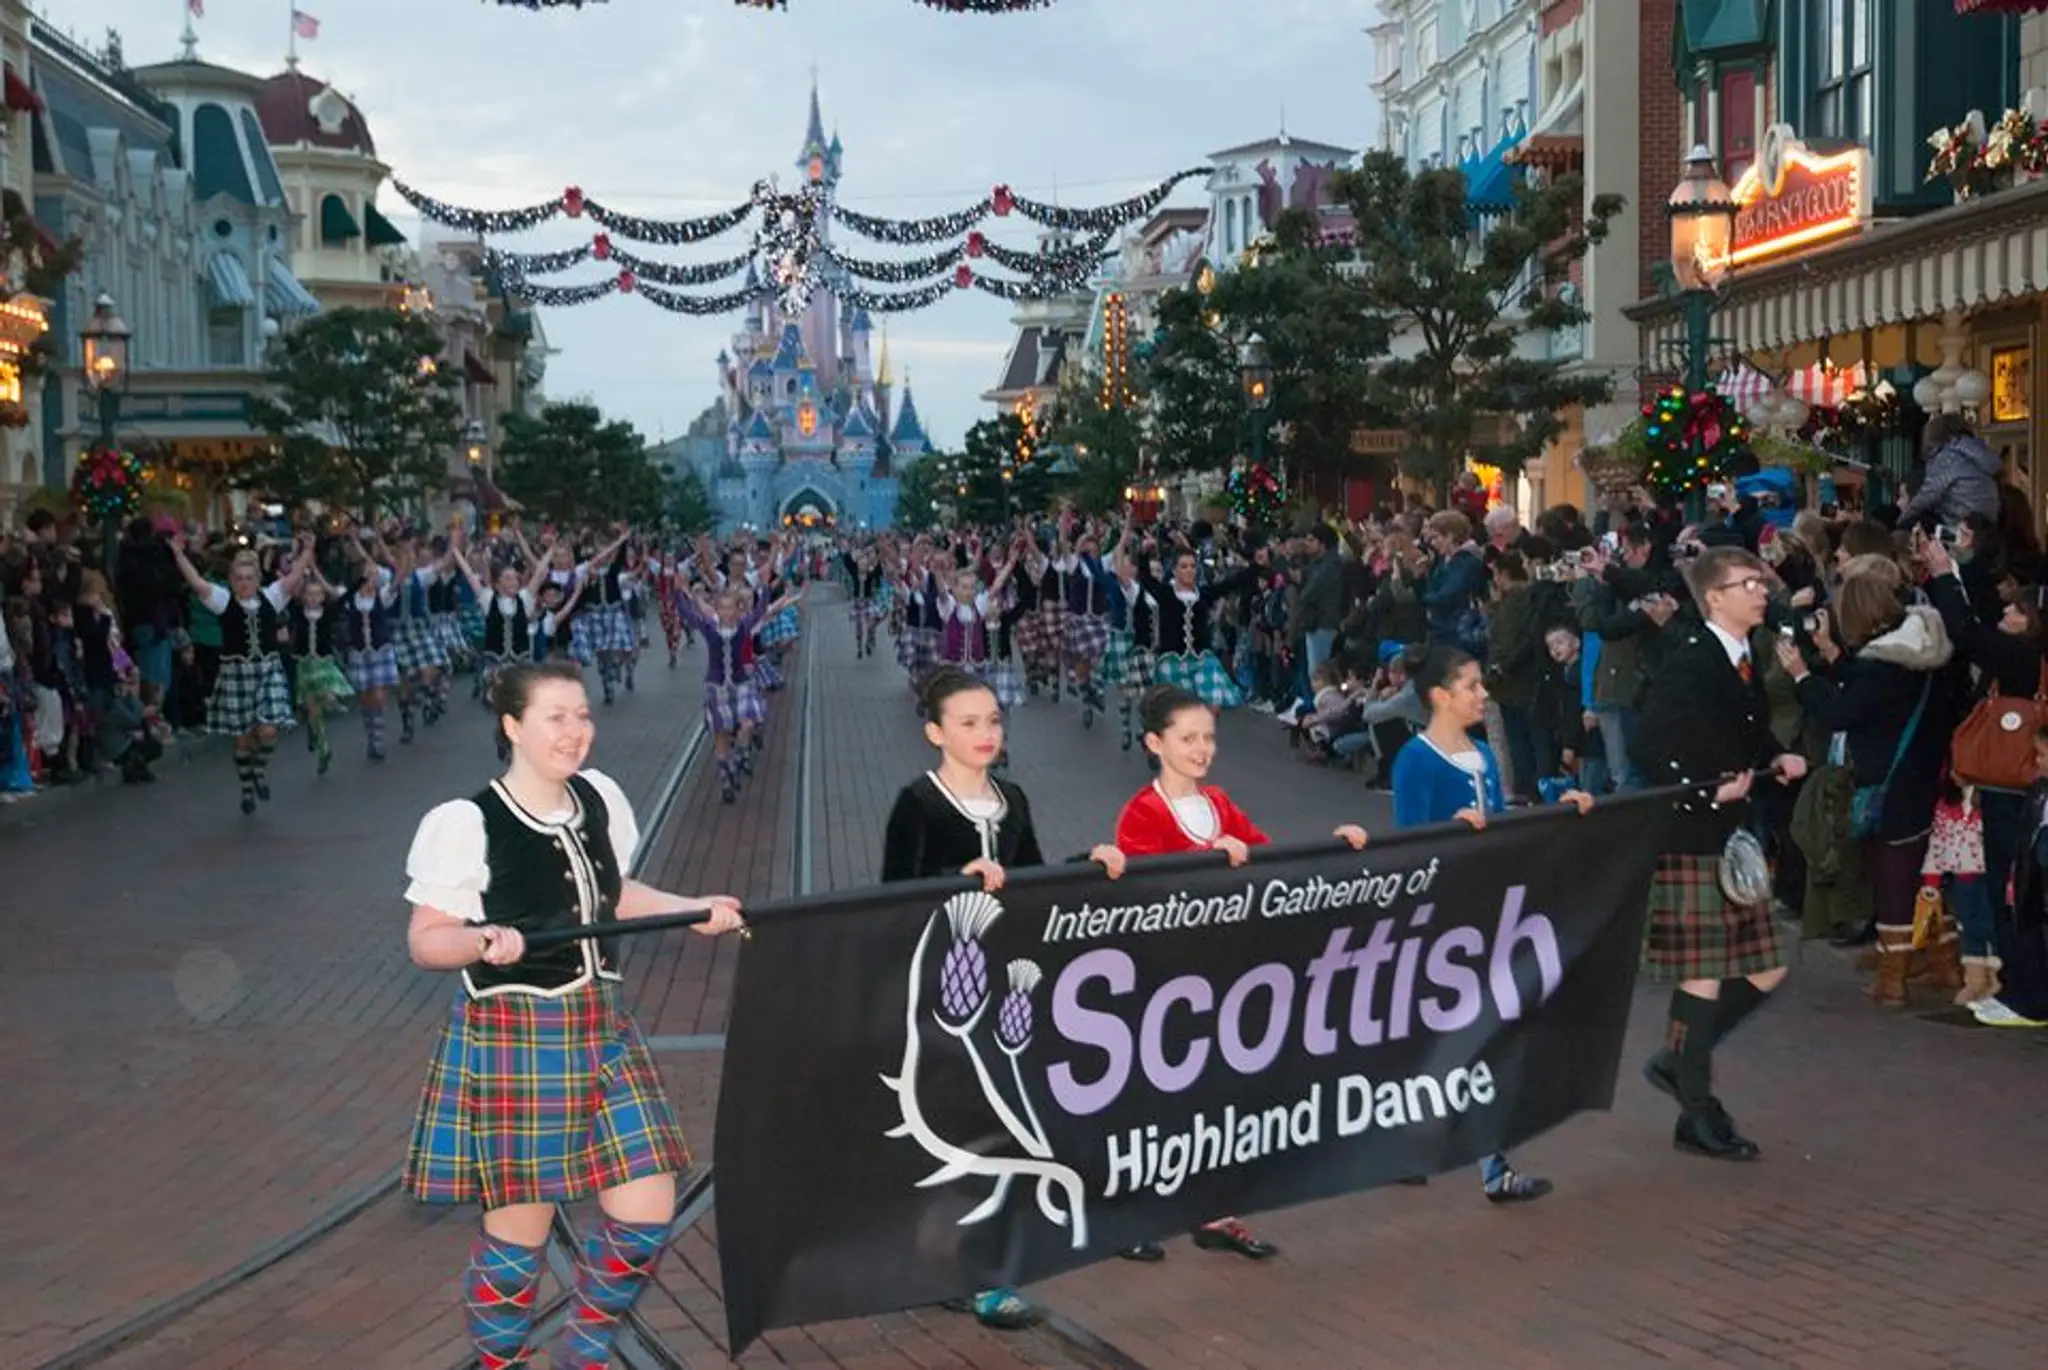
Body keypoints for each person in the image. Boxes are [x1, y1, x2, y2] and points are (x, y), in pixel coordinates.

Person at [402, 659, 746, 1370]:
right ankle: (503, 1364)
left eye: (582, 715)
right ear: (512, 727)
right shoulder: (468, 823)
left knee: (648, 1209)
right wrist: (480, 940)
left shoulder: (599, 799)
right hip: (517, 1044)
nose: (576, 731)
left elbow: (613, 893)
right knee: (517, 1242)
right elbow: (426, 940)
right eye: (556, 717)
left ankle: (585, 1349)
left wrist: (692, 910)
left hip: (600, 1028)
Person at [880, 666, 1126, 1332]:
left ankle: (985, 1268)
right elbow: (890, 894)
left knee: (1002, 1122)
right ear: (935, 732)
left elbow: (1035, 876)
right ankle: (959, 1266)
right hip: (942, 995)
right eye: (968, 722)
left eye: (993, 720)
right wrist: (950, 881)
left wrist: (1087, 860)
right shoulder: (919, 803)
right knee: (959, 1131)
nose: (986, 732)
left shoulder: (1012, 799)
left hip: (1001, 992)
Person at [1109, 684, 1369, 1262]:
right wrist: (1206, 864)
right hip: (1168, 983)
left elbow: (1273, 864)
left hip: (1224, 978)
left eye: (1209, 737)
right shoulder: (1143, 813)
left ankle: (1213, 1210)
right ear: (1155, 742)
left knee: (1217, 1095)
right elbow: (1144, 895)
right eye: (1188, 738)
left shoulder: (1221, 803)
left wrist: (1336, 848)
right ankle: (1131, 1214)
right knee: (1155, 1101)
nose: (1203, 748)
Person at [1390, 647, 1593, 1202]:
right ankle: (1409, 1139)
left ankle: (1487, 1162)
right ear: (1440, 696)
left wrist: (1555, 808)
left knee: (1485, 1034)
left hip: (1489, 914)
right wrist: (1447, 835)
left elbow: (1500, 823)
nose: (1483, 695)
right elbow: (1407, 844)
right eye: (1472, 686)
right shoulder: (1417, 759)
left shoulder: (1479, 751)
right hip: (1446, 919)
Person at [1637, 546, 1809, 1161]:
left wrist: (1773, 755)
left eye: (1761, 582)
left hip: (1728, 833)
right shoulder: (1689, 659)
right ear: (1714, 597)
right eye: (1748, 584)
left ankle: (1678, 1062)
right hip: (1691, 833)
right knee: (1703, 975)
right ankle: (1698, 1111)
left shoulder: (1737, 657)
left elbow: (1737, 726)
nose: (1762, 591)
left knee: (1768, 967)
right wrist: (1706, 783)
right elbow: (1652, 742)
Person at [167, 532, 309, 813]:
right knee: (243, 737)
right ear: (232, 580)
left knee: (268, 731)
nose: (244, 583)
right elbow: (197, 583)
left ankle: (258, 770)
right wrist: (179, 555)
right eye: (239, 578)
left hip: (267, 670)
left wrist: (308, 551)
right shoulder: (223, 601)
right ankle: (247, 786)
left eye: (249, 578)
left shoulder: (271, 598)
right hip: (236, 673)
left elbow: (294, 578)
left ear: (258, 579)